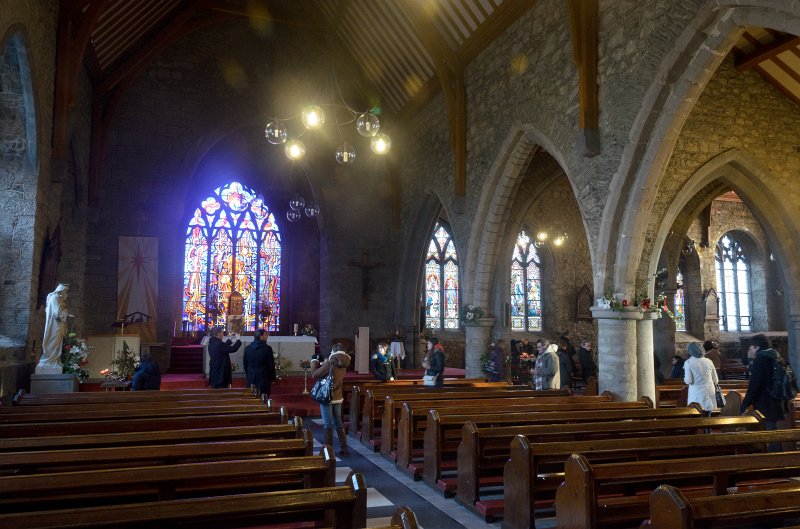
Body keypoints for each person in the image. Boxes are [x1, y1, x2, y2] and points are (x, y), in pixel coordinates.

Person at [741, 334, 787, 450]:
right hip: (776, 400)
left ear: (757, 347)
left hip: (765, 402)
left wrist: (745, 404)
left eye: (751, 346)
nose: (750, 349)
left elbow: (755, 385)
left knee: (770, 434)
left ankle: (775, 461)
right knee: (772, 431)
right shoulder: (776, 357)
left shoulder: (761, 359)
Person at [311, 343, 352, 455]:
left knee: (328, 424)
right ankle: (344, 448)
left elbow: (315, 374)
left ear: (334, 351)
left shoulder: (330, 362)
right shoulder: (344, 362)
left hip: (327, 396)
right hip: (338, 396)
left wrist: (314, 361)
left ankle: (328, 450)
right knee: (338, 423)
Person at [39, 283, 72, 370]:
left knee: (57, 342)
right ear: (61, 291)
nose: (66, 294)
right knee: (53, 341)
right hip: (54, 326)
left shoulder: (58, 299)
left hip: (58, 325)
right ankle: (49, 360)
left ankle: (55, 360)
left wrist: (66, 314)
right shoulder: (54, 298)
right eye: (65, 292)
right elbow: (57, 314)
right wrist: (66, 313)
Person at [683, 342, 718, 415]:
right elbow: (716, 380)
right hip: (709, 390)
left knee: (696, 413)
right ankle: (708, 426)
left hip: (697, 392)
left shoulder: (689, 362)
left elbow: (689, 381)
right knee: (708, 412)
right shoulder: (709, 361)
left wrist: (684, 379)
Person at [244, 328, 276, 401]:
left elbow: (245, 364)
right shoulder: (267, 348)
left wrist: (248, 375)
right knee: (263, 399)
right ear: (261, 337)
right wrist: (273, 378)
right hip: (263, 378)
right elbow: (271, 365)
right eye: (266, 334)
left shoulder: (248, 348)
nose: (267, 336)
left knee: (252, 400)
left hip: (251, 378)